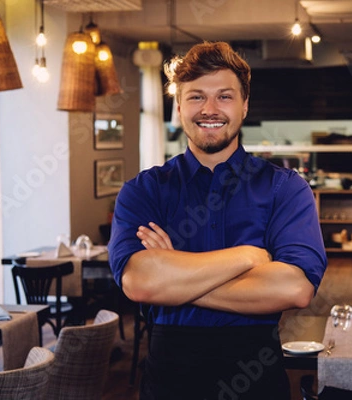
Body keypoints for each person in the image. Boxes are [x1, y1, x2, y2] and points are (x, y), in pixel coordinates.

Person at [108, 41, 327, 400]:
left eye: (224, 96)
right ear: (179, 108)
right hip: (169, 376)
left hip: (255, 372)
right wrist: (249, 257)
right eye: (195, 97)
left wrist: (175, 280)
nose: (209, 109)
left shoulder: (285, 188)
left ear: (244, 106)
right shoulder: (143, 191)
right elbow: (140, 283)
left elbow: (295, 289)